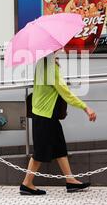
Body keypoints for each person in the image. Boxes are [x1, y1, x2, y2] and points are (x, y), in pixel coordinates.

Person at [20, 53, 97, 195]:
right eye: (57, 50)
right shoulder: (50, 67)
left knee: (60, 148)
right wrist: (85, 107)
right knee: (40, 152)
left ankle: (70, 181)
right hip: (44, 116)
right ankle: (26, 184)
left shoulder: (41, 63)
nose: (60, 51)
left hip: (45, 114)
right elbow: (65, 93)